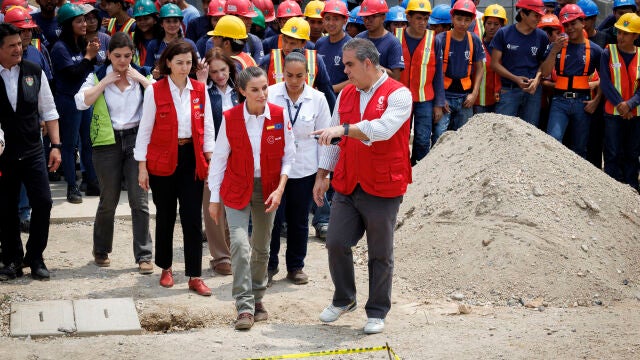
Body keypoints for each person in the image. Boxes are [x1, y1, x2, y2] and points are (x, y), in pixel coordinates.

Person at [312, 38, 412, 335]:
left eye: (349, 65)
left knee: (380, 252)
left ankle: (377, 310)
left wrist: (343, 130)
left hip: (383, 185)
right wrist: (322, 174)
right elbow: (333, 139)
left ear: (368, 63)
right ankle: (345, 299)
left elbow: (381, 130)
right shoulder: (346, 96)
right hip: (348, 182)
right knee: (336, 242)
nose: (345, 70)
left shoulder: (399, 94)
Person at [208, 66, 294, 330]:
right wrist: (214, 198)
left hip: (268, 189)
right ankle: (244, 307)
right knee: (239, 245)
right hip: (235, 188)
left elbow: (289, 156)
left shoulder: (279, 115)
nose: (262, 94)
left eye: (265, 88)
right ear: (242, 91)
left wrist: (280, 189)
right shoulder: (230, 117)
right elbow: (220, 158)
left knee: (261, 248)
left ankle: (258, 299)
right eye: (255, 90)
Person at [134, 40, 215, 295]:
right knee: (166, 215)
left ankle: (194, 274)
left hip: (191, 157)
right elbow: (144, 130)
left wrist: (210, 161)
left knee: (192, 218)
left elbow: (209, 128)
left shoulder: (200, 89)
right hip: (162, 160)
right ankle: (166, 267)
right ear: (168, 63)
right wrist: (142, 167)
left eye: (189, 63)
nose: (184, 67)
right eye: (179, 63)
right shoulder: (154, 91)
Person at [74, 32, 154, 273]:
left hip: (135, 141)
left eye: (127, 56)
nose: (122, 61)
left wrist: (141, 78)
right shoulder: (96, 75)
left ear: (133, 55)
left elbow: (162, 98)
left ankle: (144, 255)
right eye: (117, 56)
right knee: (108, 199)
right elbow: (81, 101)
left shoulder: (143, 73)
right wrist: (105, 82)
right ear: (108, 55)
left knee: (139, 201)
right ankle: (101, 249)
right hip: (107, 141)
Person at [0, 23, 61, 281]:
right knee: (6, 207)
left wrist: (56, 146)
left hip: (34, 150)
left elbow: (49, 111)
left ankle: (35, 256)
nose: (18, 49)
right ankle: (12, 259)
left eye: (19, 44)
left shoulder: (34, 72)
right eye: (12, 45)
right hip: (4, 155)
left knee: (43, 202)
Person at [266, 49, 331, 287]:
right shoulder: (270, 94)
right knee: (271, 219)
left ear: (307, 75)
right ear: (282, 73)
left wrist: (323, 174)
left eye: (299, 76)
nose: (293, 82)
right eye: (289, 75)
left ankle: (295, 266)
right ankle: (269, 265)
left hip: (305, 168)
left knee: (299, 220)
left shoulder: (318, 99)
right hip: (275, 168)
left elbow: (326, 139)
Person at [51, 2, 100, 203]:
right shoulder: (59, 48)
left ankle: (91, 181)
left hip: (84, 99)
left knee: (88, 143)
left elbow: (89, 70)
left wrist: (90, 56)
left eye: (85, 20)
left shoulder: (81, 43)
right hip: (68, 101)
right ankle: (72, 187)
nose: (85, 24)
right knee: (70, 146)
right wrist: (89, 57)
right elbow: (73, 74)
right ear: (68, 24)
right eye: (79, 21)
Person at [195, 47, 238, 276]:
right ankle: (220, 256)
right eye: (214, 72)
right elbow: (199, 117)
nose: (219, 75)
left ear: (230, 68)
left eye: (223, 70)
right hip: (211, 153)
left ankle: (235, 251)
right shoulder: (203, 90)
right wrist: (202, 82)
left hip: (238, 153)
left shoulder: (238, 89)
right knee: (213, 203)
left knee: (236, 203)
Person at [541, 4, 602, 159]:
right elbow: (545, 72)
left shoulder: (595, 50)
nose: (569, 28)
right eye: (566, 25)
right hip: (559, 101)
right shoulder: (557, 47)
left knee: (580, 148)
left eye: (573, 23)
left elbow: (606, 79)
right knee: (553, 141)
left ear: (583, 22)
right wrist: (554, 51)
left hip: (583, 103)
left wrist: (595, 101)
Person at [396, 0, 444, 165]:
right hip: (400, 98)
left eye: (425, 18)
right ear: (408, 17)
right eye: (418, 18)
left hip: (425, 98)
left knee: (423, 138)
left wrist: (439, 103)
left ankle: (419, 168)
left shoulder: (434, 40)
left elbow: (438, 74)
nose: (422, 22)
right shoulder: (396, 37)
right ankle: (403, 166)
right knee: (400, 136)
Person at [432, 0, 484, 144]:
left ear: (472, 20)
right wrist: (440, 99)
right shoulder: (440, 40)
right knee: (439, 136)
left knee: (463, 139)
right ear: (452, 18)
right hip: (445, 97)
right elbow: (433, 72)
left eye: (467, 20)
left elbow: (480, 68)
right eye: (459, 19)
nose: (462, 23)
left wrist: (474, 94)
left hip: (465, 99)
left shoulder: (474, 40)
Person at [490, 0, 549, 127]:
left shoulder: (542, 37)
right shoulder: (504, 33)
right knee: (503, 130)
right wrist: (515, 79)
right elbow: (494, 64)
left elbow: (542, 64)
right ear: (523, 14)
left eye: (540, 16)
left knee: (530, 132)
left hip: (533, 92)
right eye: (536, 15)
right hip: (508, 91)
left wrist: (537, 80)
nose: (539, 19)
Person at [600, 13, 640, 191]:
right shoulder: (608, 52)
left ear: (635, 36)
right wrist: (621, 105)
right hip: (613, 113)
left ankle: (632, 187)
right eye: (619, 32)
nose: (621, 36)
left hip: (635, 114)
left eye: (626, 33)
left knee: (632, 153)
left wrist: (630, 104)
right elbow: (605, 83)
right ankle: (612, 189)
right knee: (612, 152)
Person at [260, 17, 336, 111]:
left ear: (303, 43)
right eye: (285, 41)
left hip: (305, 116)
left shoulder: (316, 60)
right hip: (275, 117)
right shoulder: (268, 60)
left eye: (292, 43)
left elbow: (328, 94)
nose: (287, 47)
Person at [356, 0, 405, 81]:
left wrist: (374, 67)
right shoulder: (359, 39)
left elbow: (396, 77)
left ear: (383, 17)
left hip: (383, 91)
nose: (368, 21)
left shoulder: (393, 43)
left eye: (373, 17)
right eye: (365, 17)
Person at [144, 4, 197, 72]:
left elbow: (196, 68)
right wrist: (153, 73)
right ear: (161, 24)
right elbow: (147, 70)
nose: (172, 25)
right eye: (168, 21)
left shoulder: (190, 44)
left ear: (180, 23)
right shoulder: (153, 45)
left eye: (175, 21)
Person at [474, 4, 506, 114]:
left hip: (502, 100)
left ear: (502, 26)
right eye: (489, 23)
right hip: (480, 101)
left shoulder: (507, 47)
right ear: (484, 24)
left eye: (496, 24)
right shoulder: (477, 45)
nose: (492, 27)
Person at [315, 0, 351, 95]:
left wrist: (328, 90)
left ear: (345, 20)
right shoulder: (320, 43)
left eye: (336, 19)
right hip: (321, 101)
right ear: (323, 20)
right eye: (327, 18)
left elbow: (356, 79)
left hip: (342, 101)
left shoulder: (352, 46)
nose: (331, 23)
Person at [132, 0, 162, 67]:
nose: (142, 22)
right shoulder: (131, 40)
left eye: (146, 18)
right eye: (139, 20)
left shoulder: (163, 40)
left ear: (155, 20)